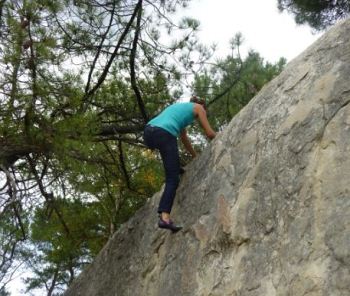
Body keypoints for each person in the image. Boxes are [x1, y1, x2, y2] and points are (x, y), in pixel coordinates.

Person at [143, 96, 216, 232]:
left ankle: (176, 168)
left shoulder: (181, 109)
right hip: (164, 132)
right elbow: (210, 133)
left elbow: (184, 139)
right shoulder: (199, 108)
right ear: (202, 106)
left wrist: (195, 156)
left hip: (149, 132)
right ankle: (165, 218)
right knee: (173, 178)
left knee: (173, 165)